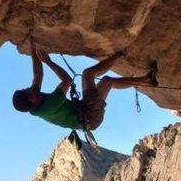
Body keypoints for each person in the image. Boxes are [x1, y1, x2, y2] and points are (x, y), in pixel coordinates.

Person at [12, 39, 158, 131]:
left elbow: (38, 75)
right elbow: (67, 80)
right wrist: (49, 62)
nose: (28, 88)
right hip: (90, 117)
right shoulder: (48, 106)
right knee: (98, 78)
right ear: (31, 99)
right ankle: (124, 56)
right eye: (26, 90)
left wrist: (33, 48)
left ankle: (146, 79)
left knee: (100, 79)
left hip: (84, 111)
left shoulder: (34, 99)